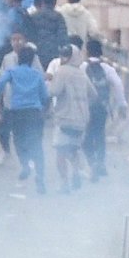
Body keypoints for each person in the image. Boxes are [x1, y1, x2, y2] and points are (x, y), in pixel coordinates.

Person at [0, 47, 48, 194]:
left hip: (17, 113)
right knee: (37, 145)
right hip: (34, 113)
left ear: (18, 59)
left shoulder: (12, 72)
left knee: (19, 142)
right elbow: (45, 95)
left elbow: (0, 85)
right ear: (32, 60)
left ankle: (25, 165)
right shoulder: (37, 74)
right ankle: (40, 178)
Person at [48, 48, 93, 193]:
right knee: (73, 149)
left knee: (60, 152)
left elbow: (53, 91)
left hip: (64, 119)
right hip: (81, 120)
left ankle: (64, 184)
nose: (62, 57)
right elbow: (93, 94)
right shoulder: (82, 74)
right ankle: (76, 172)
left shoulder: (61, 71)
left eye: (64, 55)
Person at [82, 39, 127, 180]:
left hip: (86, 108)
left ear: (87, 51)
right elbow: (118, 85)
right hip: (102, 108)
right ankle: (100, 163)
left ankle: (93, 163)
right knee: (100, 135)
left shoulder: (82, 67)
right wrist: (122, 105)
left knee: (86, 139)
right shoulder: (107, 68)